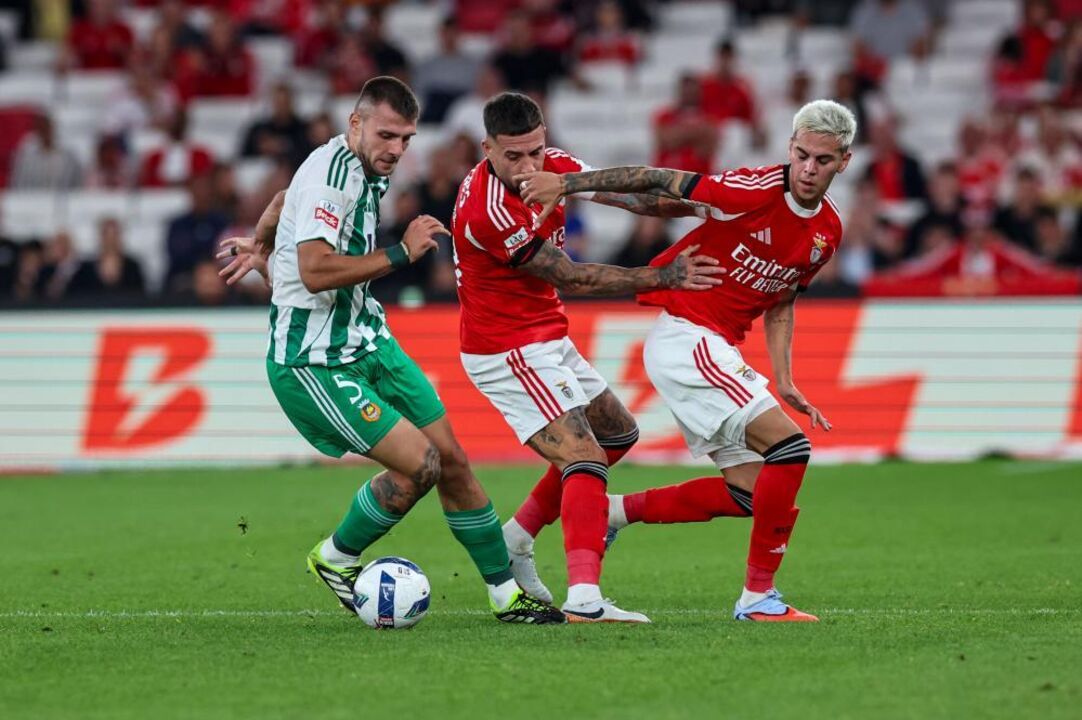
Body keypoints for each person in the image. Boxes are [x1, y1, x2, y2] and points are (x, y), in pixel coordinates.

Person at [216, 77, 563, 625]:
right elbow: (313, 272)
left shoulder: (360, 166)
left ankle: (506, 597)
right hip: (313, 361)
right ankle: (336, 557)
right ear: (355, 124)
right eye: (386, 136)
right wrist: (399, 253)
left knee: (451, 459)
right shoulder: (335, 178)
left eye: (406, 138)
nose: (397, 150)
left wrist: (263, 247)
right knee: (418, 466)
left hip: (368, 338)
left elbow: (284, 200)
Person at [515, 98, 857, 622]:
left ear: (844, 161)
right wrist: (569, 185)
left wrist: (784, 378)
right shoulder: (752, 190)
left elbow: (783, 298)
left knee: (750, 493)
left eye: (824, 161)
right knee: (790, 449)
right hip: (690, 339)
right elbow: (656, 180)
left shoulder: (827, 232)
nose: (809, 169)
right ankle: (757, 598)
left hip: (709, 347)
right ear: (790, 146)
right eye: (803, 155)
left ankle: (614, 512)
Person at [450, 91, 723, 623]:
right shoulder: (488, 209)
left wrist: (702, 201)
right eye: (514, 157)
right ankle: (584, 600)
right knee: (585, 458)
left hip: (546, 337)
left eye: (536, 151)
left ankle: (516, 538)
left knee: (618, 434)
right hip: (506, 347)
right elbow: (569, 275)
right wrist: (662, 276)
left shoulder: (553, 168)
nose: (529, 167)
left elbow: (630, 195)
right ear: (487, 149)